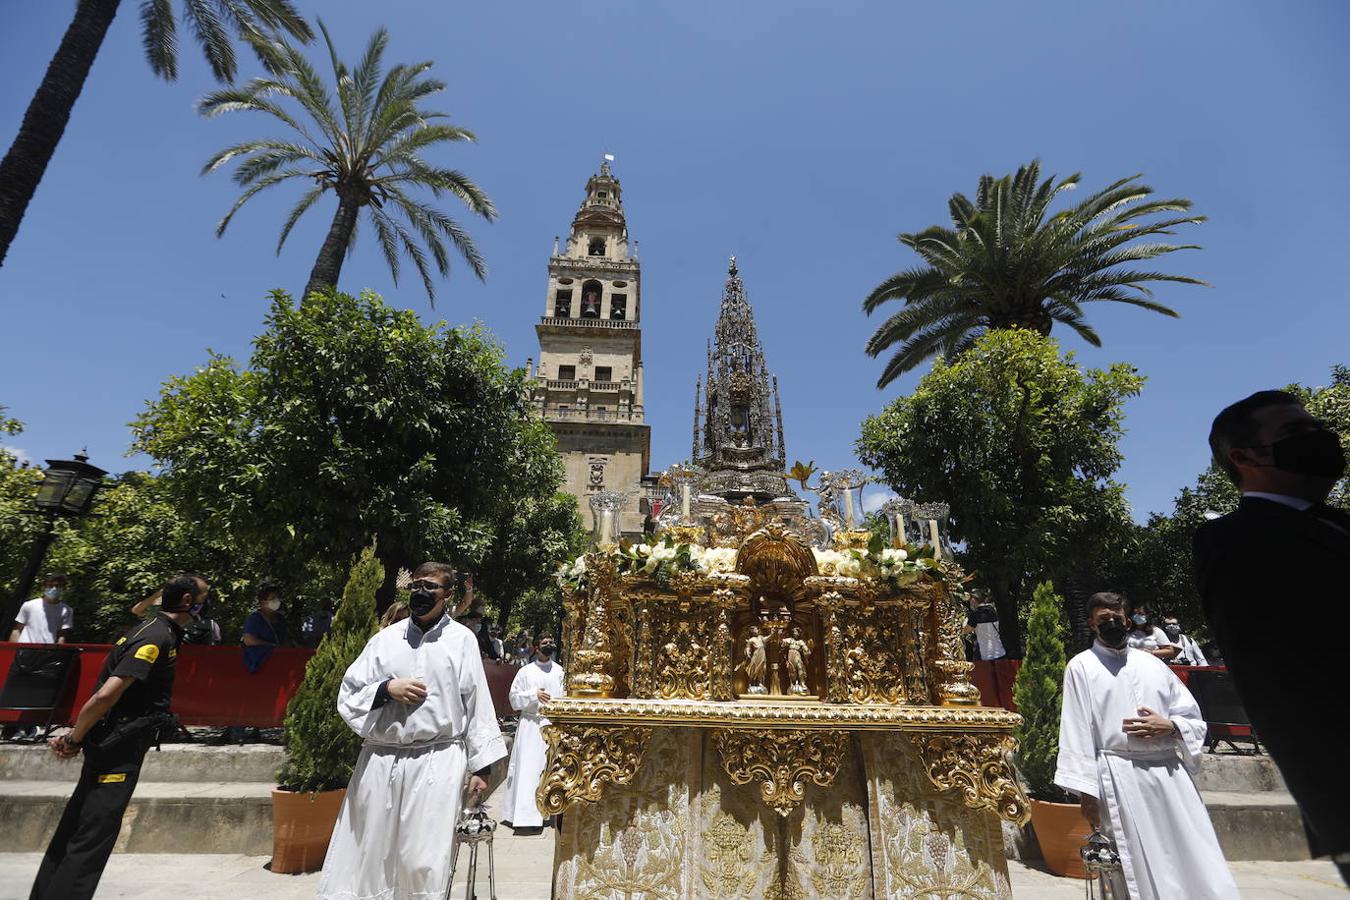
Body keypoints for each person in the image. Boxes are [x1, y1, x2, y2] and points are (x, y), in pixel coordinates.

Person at [1194, 390, 1350, 882]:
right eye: (1292, 434)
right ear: (1244, 457)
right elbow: (1281, 683)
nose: (1318, 439)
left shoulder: (1335, 524)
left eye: (1313, 427)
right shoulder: (1238, 541)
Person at [317, 562, 507, 900]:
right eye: (417, 585)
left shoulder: (461, 640)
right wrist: (386, 689)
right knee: (371, 851)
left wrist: (482, 768)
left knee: (425, 857)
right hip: (381, 760)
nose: (421, 592)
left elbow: (476, 702)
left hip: (438, 761)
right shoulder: (385, 640)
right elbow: (349, 693)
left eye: (431, 586)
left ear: (448, 594)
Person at [29, 574, 205, 900]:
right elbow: (105, 696)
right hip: (118, 747)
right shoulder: (155, 638)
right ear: (186, 602)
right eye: (203, 596)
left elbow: (142, 609)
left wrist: (78, 736)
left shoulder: (148, 627)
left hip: (110, 741)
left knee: (76, 828)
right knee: (93, 835)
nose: (206, 604)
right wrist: (74, 738)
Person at [1055, 592, 1238, 900]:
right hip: (1120, 776)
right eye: (1104, 620)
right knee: (1135, 864)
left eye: (1117, 618)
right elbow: (1076, 729)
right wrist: (1087, 793)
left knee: (1193, 852)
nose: (1112, 624)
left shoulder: (1153, 665)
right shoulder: (1081, 667)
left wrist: (1171, 726)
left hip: (1170, 775)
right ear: (1092, 624)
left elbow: (1191, 717)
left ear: (1127, 621)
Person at [501, 635, 565, 835]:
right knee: (528, 771)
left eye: (550, 642)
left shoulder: (560, 671)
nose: (549, 645)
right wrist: (533, 695)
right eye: (544, 643)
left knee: (548, 770)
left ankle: (549, 811)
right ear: (536, 647)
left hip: (552, 725)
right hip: (531, 725)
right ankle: (526, 817)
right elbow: (514, 699)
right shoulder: (525, 671)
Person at [9, 574, 73, 644]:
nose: (54, 589)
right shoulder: (29, 605)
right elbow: (17, 630)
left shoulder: (66, 610)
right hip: (25, 649)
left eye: (57, 586)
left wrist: (57, 652)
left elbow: (61, 635)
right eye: (50, 586)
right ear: (44, 587)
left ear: (63, 588)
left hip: (47, 651)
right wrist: (11, 651)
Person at [241, 583, 288, 673]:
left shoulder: (281, 620)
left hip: (279, 665)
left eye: (278, 598)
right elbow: (248, 640)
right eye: (273, 598)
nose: (276, 601)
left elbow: (285, 641)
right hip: (260, 665)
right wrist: (272, 646)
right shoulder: (255, 619)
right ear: (262, 602)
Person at [962, 591, 1006, 661]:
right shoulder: (992, 610)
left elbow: (964, 631)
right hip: (1000, 653)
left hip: (986, 657)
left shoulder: (976, 614)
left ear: (973, 600)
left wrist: (966, 618)